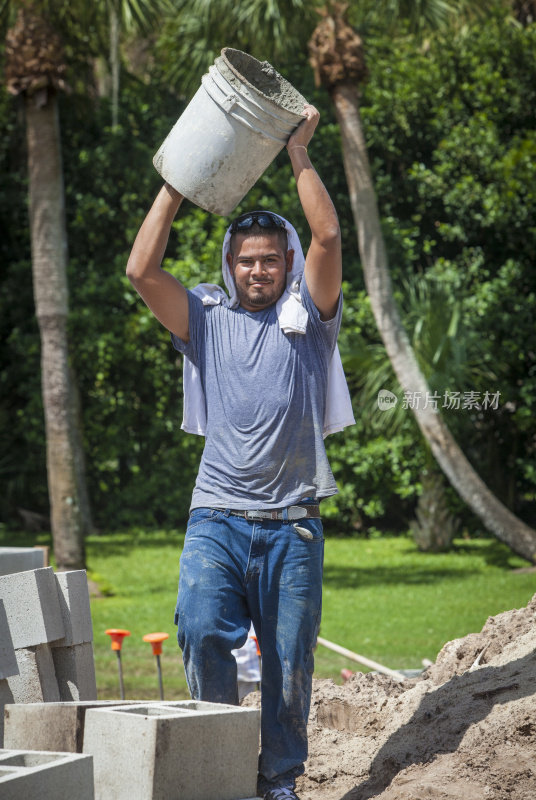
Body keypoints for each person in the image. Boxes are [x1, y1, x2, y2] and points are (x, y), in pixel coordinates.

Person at [126, 104, 352, 800]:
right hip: (217, 517)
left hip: (291, 524)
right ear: (230, 265)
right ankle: (219, 764)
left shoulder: (307, 320)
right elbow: (140, 270)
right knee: (197, 629)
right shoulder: (205, 319)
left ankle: (277, 782)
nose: (258, 271)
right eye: (246, 261)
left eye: (269, 261)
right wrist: (179, 180)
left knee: (289, 664)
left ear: (285, 266)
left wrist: (300, 153)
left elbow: (328, 233)